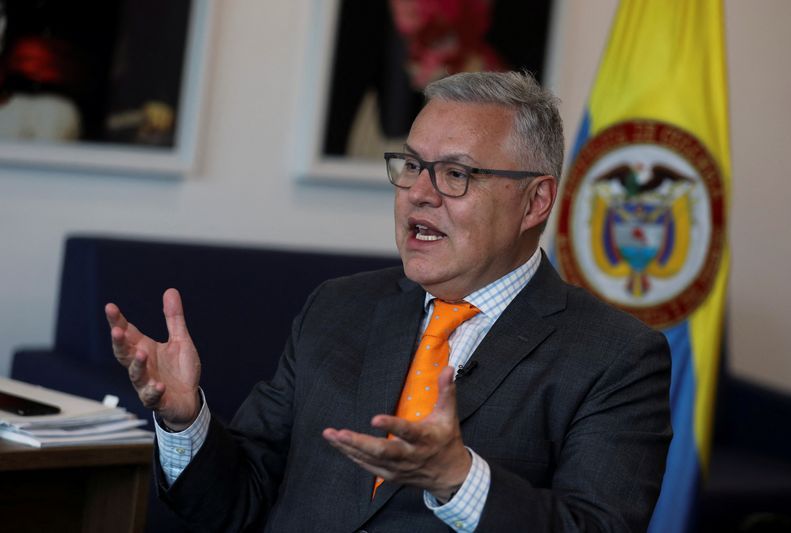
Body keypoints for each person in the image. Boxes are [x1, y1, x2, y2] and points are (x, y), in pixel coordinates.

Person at [106, 71, 671, 532]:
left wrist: (458, 481)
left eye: (456, 174)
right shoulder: (337, 307)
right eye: (413, 166)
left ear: (535, 202)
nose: (419, 193)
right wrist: (184, 421)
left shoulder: (615, 357)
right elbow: (237, 503)